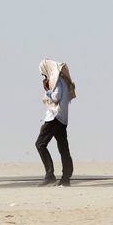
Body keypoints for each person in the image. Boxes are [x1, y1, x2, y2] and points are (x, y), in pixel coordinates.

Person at [36, 59, 76, 187]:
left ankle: (50, 175)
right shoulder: (64, 80)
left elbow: (56, 97)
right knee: (63, 148)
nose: (44, 76)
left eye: (44, 73)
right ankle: (66, 177)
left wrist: (47, 90)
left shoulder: (57, 81)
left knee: (40, 144)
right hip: (62, 118)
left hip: (55, 117)